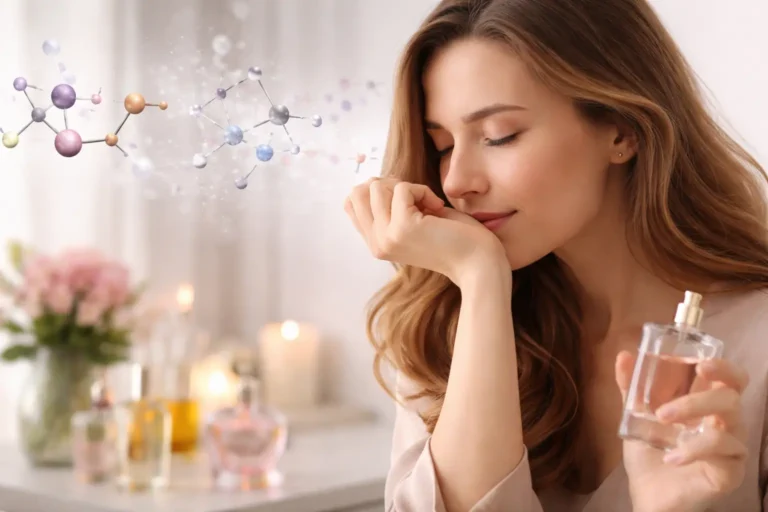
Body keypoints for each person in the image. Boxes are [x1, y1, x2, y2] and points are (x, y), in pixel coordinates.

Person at [343, 0, 768, 511]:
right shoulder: (444, 330)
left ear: (621, 130)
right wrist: (481, 283)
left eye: (500, 136)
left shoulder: (755, 345)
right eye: (442, 146)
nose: (456, 182)